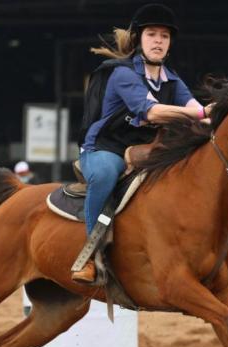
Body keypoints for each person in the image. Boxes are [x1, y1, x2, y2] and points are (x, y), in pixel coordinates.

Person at [72, 3, 213, 284]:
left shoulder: (172, 80)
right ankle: (89, 256)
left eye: (164, 36)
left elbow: (199, 112)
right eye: (152, 34)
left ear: (170, 44)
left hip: (145, 150)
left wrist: (218, 116)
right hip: (105, 148)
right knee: (104, 175)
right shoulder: (123, 74)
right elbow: (152, 112)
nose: (158, 41)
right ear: (139, 39)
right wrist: (200, 113)